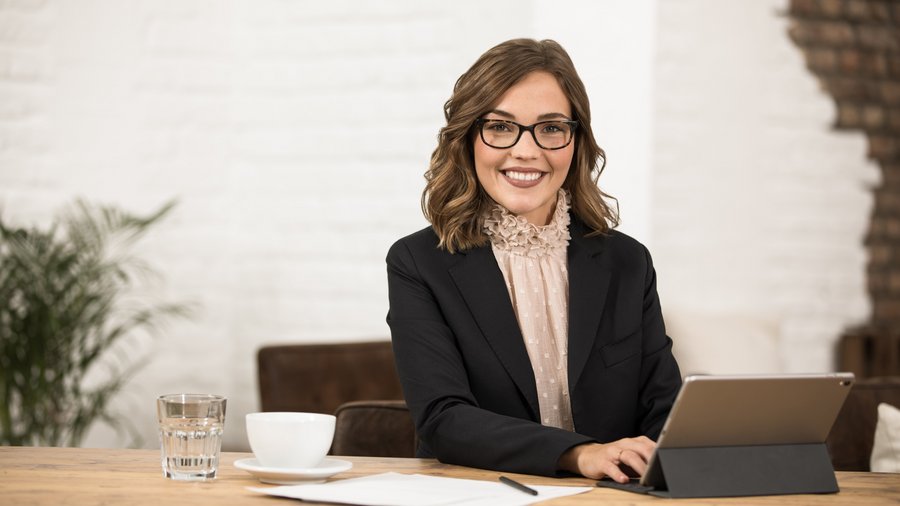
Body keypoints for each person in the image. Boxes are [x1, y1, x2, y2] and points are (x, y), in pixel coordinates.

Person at [386, 38, 682, 482]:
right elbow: (444, 419)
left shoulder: (628, 261)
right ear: (468, 139)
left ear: (575, 141)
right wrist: (580, 454)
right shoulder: (418, 262)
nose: (526, 150)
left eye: (550, 128)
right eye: (501, 127)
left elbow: (664, 410)